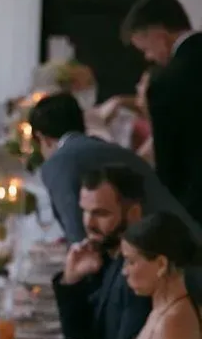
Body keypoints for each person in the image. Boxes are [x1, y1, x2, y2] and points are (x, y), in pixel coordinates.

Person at [53, 165, 152, 339]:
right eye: (86, 211)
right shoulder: (110, 255)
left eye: (101, 213)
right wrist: (72, 280)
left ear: (133, 214)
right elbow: (79, 332)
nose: (88, 223)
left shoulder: (137, 277)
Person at [30, 92, 202, 251]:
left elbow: (80, 243)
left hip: (170, 265)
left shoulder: (59, 162)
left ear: (41, 138)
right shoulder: (109, 149)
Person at [121, 0, 202, 226]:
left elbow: (168, 163)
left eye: (146, 49)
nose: (149, 58)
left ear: (159, 34)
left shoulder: (167, 81)